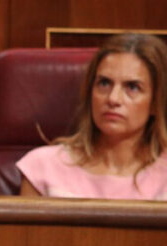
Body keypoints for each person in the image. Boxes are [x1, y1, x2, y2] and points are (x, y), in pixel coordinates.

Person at [18, 33, 167, 200]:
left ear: (156, 102)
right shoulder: (42, 167)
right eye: (104, 83)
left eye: (132, 87)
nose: (113, 98)